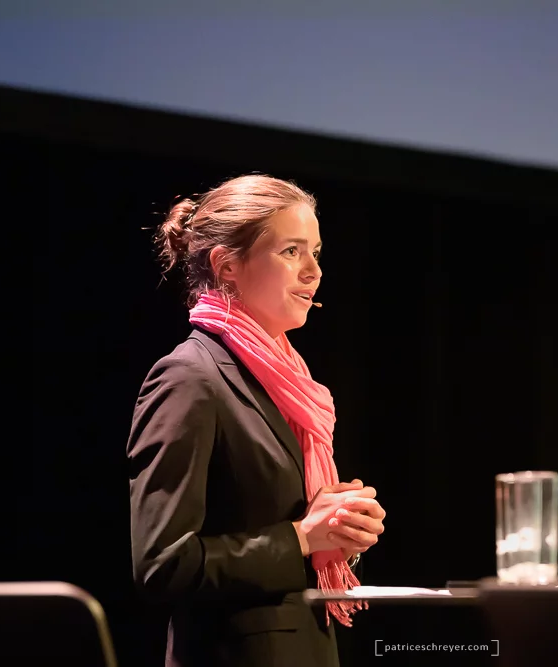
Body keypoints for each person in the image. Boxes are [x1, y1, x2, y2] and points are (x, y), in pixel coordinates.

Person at [127, 174, 385, 667]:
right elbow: (163, 566)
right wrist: (304, 537)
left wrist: (338, 529)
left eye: (316, 252)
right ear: (227, 266)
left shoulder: (284, 381)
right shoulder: (190, 378)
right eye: (291, 251)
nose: (313, 272)